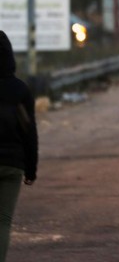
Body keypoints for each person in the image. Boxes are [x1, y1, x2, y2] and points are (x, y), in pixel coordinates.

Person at [0, 31, 38, 262]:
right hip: (13, 164)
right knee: (3, 220)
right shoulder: (20, 90)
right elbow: (29, 132)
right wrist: (31, 169)